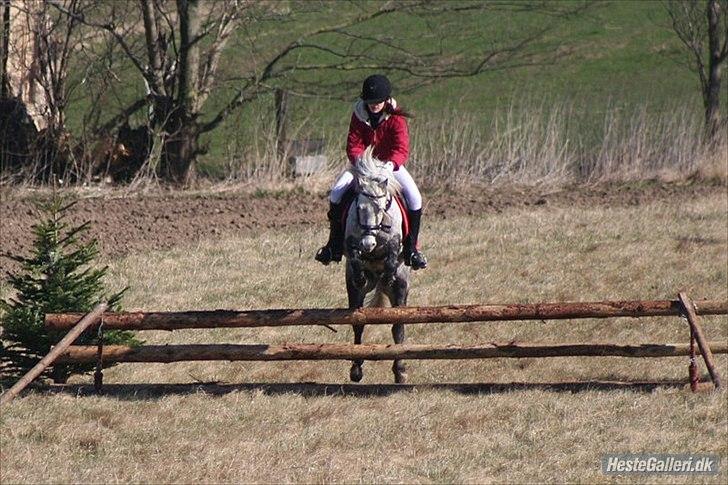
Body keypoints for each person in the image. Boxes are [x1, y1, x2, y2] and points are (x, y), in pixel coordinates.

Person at [315, 74, 428, 270]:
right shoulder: (358, 114)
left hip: (389, 167)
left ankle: (411, 249)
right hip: (362, 167)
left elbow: (401, 148)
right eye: (370, 102)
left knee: (415, 198)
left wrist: (390, 165)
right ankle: (333, 245)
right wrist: (361, 162)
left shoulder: (396, 118)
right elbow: (353, 144)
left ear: (386, 100)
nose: (374, 105)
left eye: (378, 102)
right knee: (336, 193)